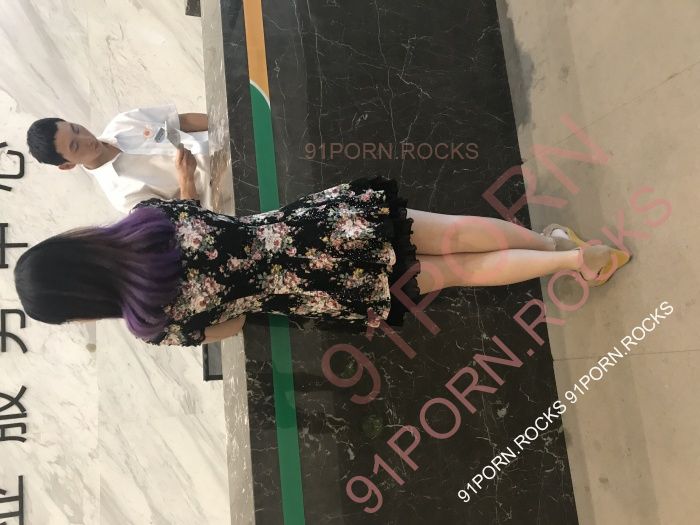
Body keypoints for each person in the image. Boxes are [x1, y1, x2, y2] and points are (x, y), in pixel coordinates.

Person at [12, 176, 632, 347]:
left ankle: (572, 261)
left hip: (328, 287)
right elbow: (207, 216)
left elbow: (234, 323)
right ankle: (561, 246)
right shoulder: (149, 219)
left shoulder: (151, 321)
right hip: (318, 225)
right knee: (452, 232)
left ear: (77, 307)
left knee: (459, 273)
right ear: (72, 245)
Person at [26, 105, 210, 213]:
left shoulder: (122, 122)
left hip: (220, 140)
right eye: (75, 146)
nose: (86, 139)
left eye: (76, 129)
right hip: (220, 184)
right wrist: (186, 178)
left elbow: (183, 122)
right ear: (67, 165)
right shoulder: (122, 196)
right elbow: (187, 221)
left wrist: (225, 123)